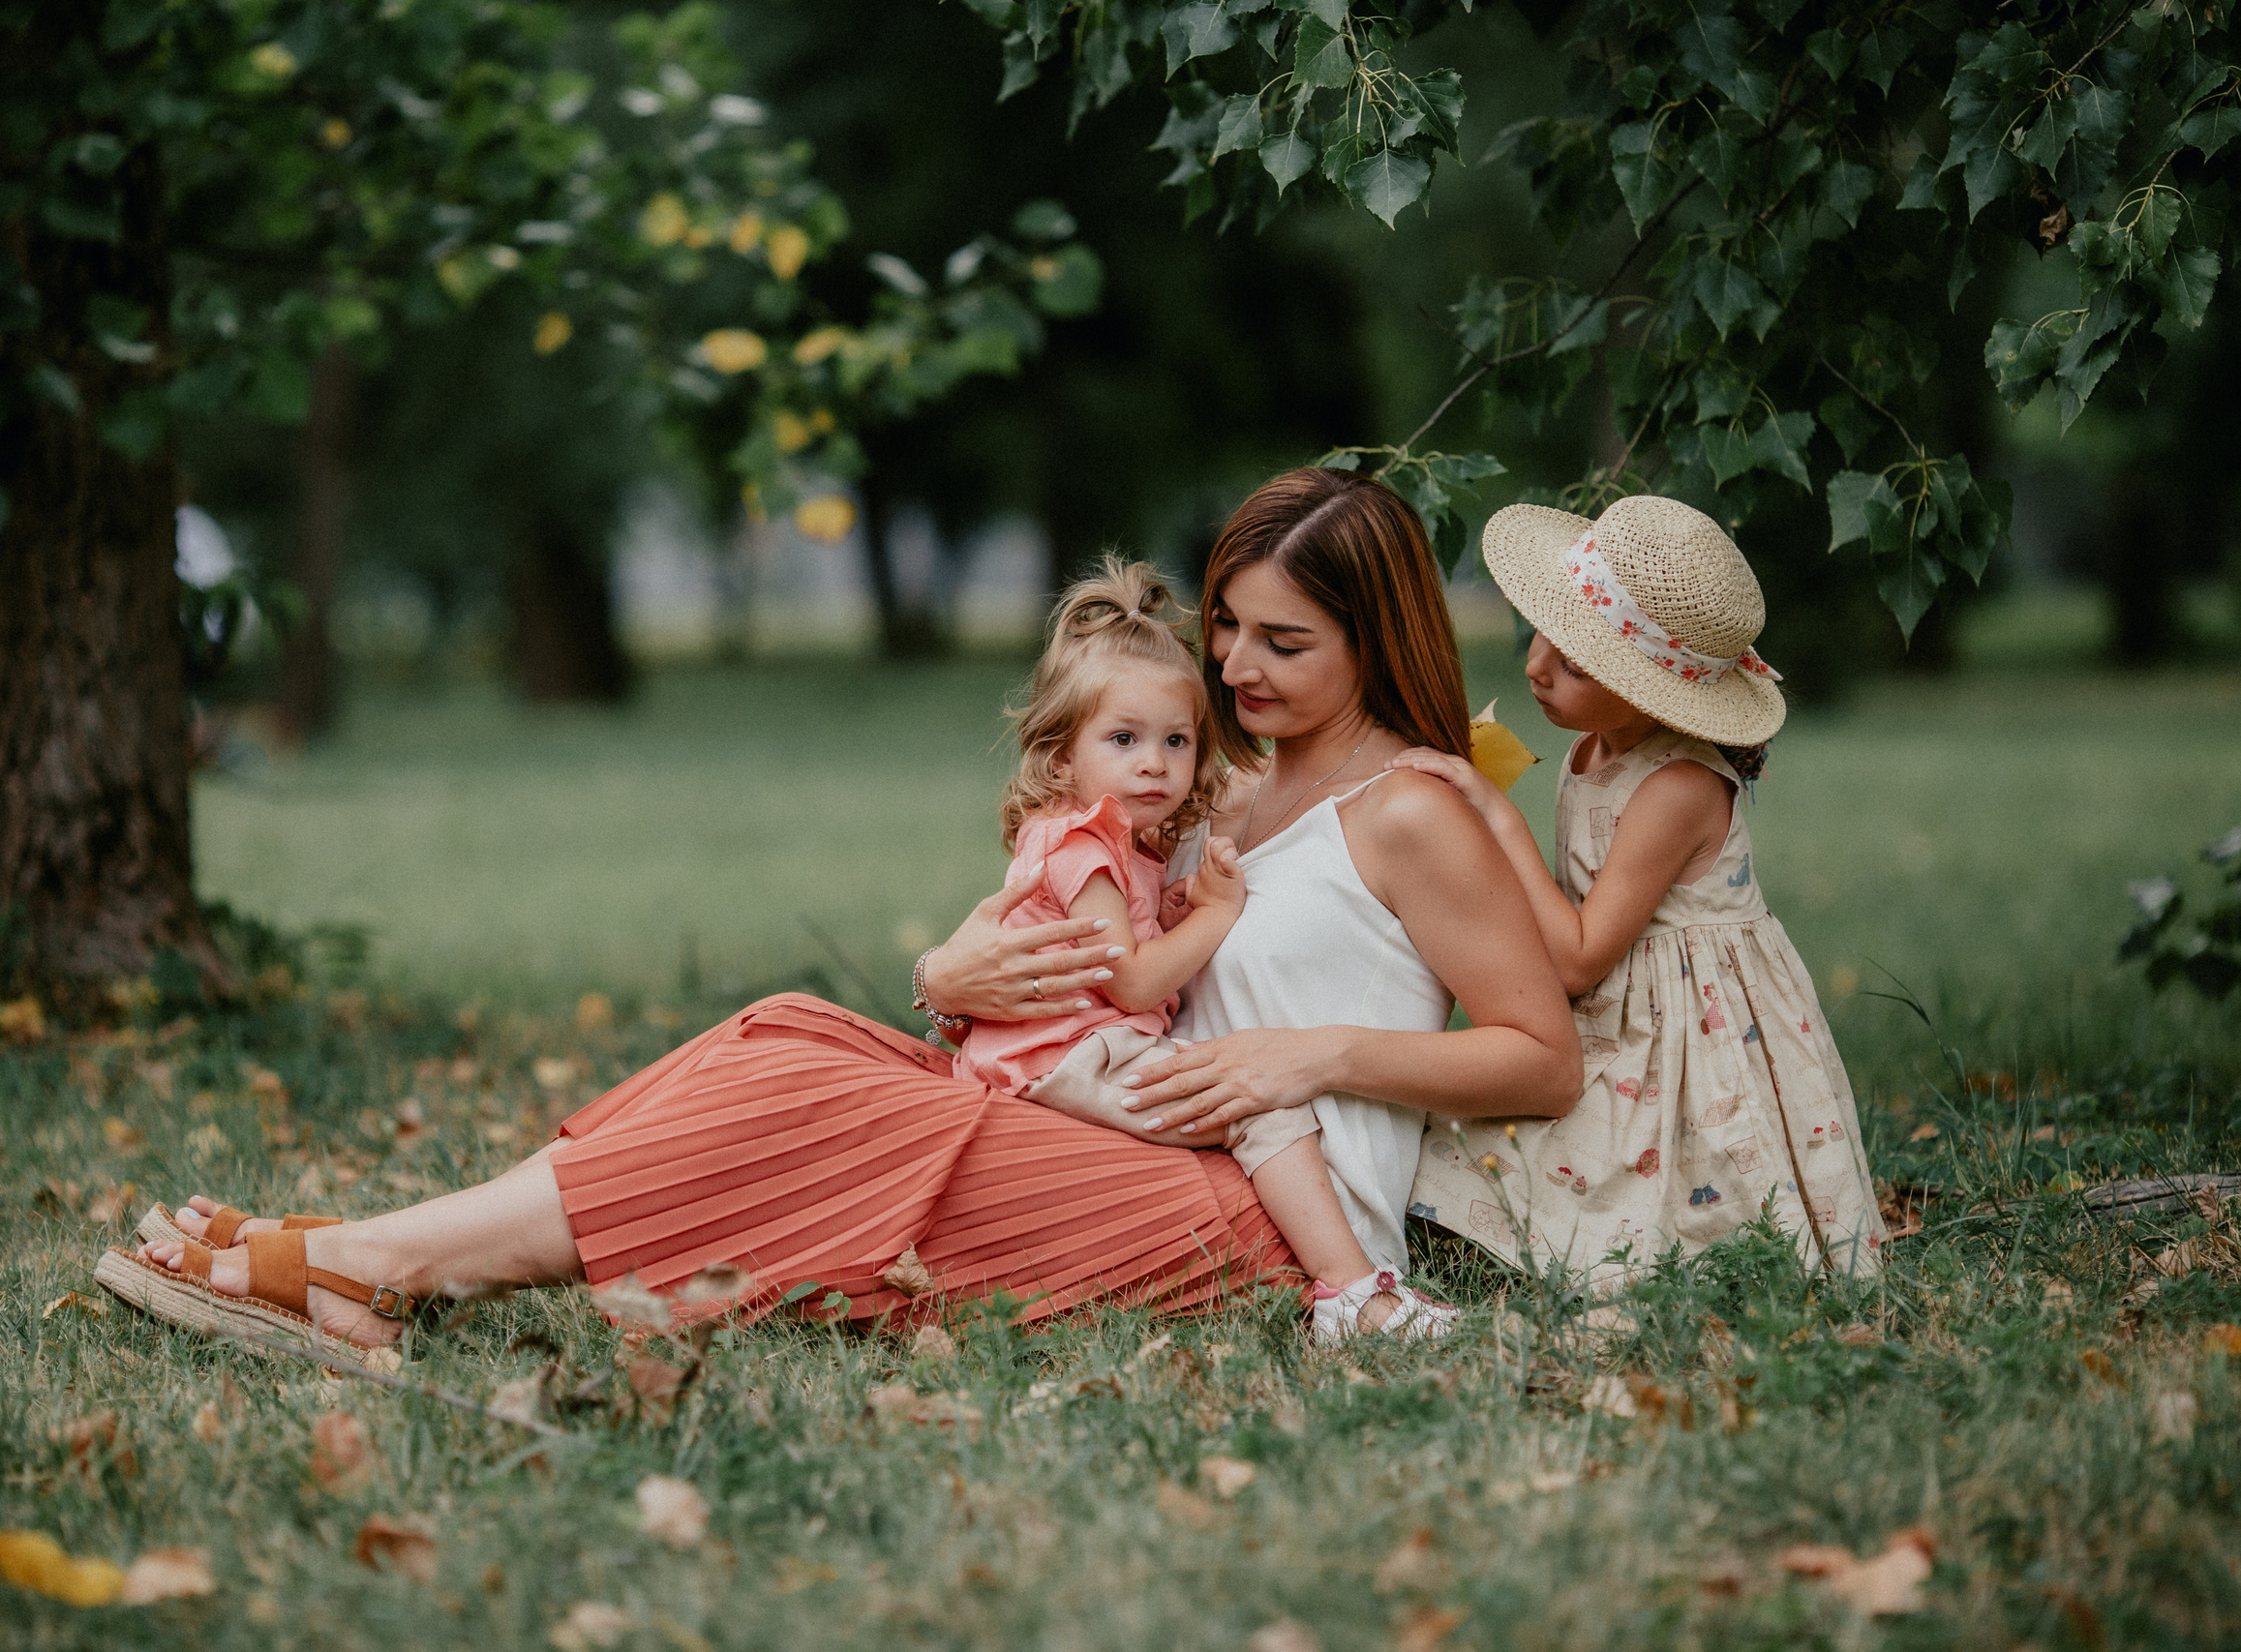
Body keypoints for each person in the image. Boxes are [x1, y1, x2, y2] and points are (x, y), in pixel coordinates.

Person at [94, 468, 1581, 1361]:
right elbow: (1087, 950)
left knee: (833, 1104)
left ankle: (379, 1264)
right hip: (1135, 1123)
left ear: (1374, 635)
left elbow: (1539, 1053)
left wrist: (1307, 1056)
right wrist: (953, 969)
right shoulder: (1221, 791)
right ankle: (386, 1249)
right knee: (792, 1027)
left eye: (1286, 642)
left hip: (1259, 1208)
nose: (1239, 669)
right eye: (1228, 633)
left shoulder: (1416, 807)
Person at [954, 557, 1452, 1342]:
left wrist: (1176, 903)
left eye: (1177, 740)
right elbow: (1135, 980)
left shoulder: (1121, 843)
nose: (1154, 761)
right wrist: (1217, 915)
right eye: (1124, 738)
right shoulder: (1081, 846)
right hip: (1075, 1055)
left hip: (1068, 1049)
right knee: (1262, 1106)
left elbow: (1123, 944)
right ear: (1060, 758)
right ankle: (1355, 1297)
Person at [1390, 496, 1887, 1282]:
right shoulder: (1594, 745)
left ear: (1653, 688)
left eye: (1578, 664)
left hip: (1688, 1028)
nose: (1536, 666)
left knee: (1678, 1206)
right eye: (1544, 632)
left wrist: (1498, 818)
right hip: (1618, 1012)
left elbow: (1581, 956)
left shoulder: (1678, 786)